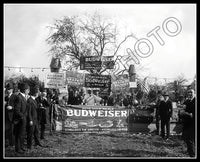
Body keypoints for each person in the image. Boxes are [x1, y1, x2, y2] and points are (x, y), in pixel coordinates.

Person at [13, 83, 30, 154]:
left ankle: (21, 147)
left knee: (22, 134)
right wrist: (22, 117)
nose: (29, 91)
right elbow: (17, 110)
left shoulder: (23, 97)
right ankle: (18, 148)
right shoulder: (19, 97)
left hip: (23, 119)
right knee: (19, 134)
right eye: (28, 90)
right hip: (20, 120)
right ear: (25, 90)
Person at [179, 89, 195, 157]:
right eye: (188, 93)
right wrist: (181, 112)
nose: (190, 94)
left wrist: (191, 114)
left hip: (193, 123)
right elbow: (182, 110)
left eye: (191, 93)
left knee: (191, 139)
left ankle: (192, 154)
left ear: (194, 93)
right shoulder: (187, 101)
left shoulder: (195, 101)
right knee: (187, 139)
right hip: (187, 123)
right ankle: (190, 152)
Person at [5, 82, 17, 147]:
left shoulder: (15, 96)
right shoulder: (6, 97)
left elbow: (18, 107)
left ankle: (12, 143)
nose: (7, 90)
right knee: (6, 129)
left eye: (9, 89)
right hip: (6, 116)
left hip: (12, 116)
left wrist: (12, 107)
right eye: (7, 89)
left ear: (12, 89)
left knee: (12, 130)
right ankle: (6, 143)